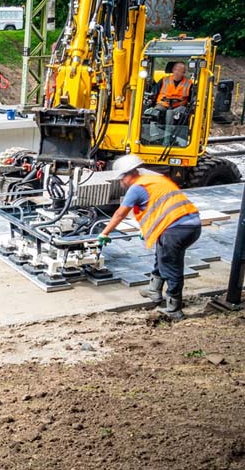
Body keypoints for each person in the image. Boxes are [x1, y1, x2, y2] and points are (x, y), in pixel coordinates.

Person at [97, 154, 201, 320]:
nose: (120, 183)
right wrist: (148, 228)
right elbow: (159, 205)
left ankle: (174, 309)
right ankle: (154, 290)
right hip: (190, 225)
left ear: (127, 176)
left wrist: (104, 233)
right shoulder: (155, 180)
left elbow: (119, 214)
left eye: (120, 179)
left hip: (175, 229)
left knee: (171, 266)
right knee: (162, 255)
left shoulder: (136, 188)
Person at [153, 62, 193, 146]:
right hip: (163, 104)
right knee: (155, 113)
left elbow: (192, 99)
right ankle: (154, 137)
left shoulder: (189, 83)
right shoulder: (164, 80)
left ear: (184, 72)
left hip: (179, 106)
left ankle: (167, 140)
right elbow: (154, 93)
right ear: (173, 70)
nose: (177, 72)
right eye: (176, 70)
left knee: (171, 113)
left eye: (180, 71)